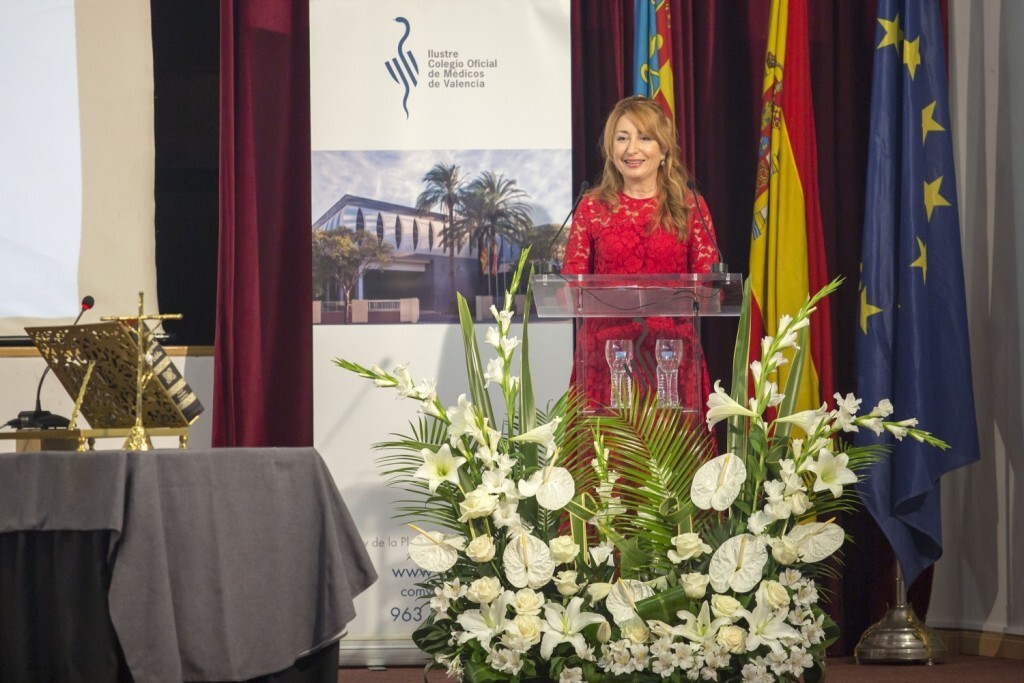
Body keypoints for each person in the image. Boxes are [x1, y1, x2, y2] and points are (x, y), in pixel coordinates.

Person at [560, 95, 721, 414]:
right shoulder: (592, 208)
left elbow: (711, 288)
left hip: (670, 360)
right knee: (609, 460)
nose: (632, 149)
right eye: (622, 138)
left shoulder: (691, 208)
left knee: (669, 458)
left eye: (644, 137)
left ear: (663, 150)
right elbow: (571, 286)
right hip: (607, 359)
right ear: (611, 149)